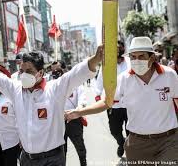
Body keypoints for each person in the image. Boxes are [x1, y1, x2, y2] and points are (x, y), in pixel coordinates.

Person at [0, 48, 102, 166]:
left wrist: (96, 58)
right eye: (22, 71)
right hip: (27, 159)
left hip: (53, 159)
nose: (23, 75)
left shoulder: (56, 89)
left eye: (29, 71)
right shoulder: (15, 90)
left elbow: (78, 72)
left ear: (40, 72)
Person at [65, 37, 178, 165]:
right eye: (133, 57)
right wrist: (79, 112)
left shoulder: (169, 75)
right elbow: (106, 102)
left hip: (169, 141)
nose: (136, 60)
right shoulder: (124, 80)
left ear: (152, 58)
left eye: (141, 56)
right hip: (138, 144)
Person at [94, 41, 130, 157]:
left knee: (132, 131)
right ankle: (122, 143)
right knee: (114, 131)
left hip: (130, 104)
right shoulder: (106, 65)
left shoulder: (130, 62)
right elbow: (100, 80)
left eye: (119, 48)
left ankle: (131, 150)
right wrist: (97, 94)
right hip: (112, 105)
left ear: (123, 49)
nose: (117, 51)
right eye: (115, 49)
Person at [52, 68, 88, 166]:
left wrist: (77, 111)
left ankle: (83, 163)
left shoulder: (76, 86)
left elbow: (82, 100)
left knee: (79, 145)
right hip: (59, 122)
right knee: (61, 150)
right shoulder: (52, 88)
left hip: (74, 120)